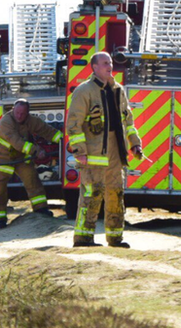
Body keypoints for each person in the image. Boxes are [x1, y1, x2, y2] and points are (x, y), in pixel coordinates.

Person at [66, 52, 142, 248]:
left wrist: (134, 143)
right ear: (95, 67)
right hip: (93, 154)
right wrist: (80, 151)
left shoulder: (118, 90)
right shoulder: (84, 91)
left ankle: (115, 238)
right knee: (92, 194)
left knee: (116, 194)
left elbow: (128, 120)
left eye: (110, 62)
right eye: (105, 63)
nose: (109, 66)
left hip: (116, 152)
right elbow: (74, 124)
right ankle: (83, 238)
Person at [0, 99, 62, 228]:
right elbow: (16, 142)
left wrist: (63, 141)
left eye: (23, 113)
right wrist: (36, 150)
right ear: (13, 110)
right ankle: (0, 219)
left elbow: (47, 130)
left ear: (27, 113)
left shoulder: (31, 121)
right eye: (17, 112)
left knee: (32, 179)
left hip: (20, 158)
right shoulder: (6, 122)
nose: (19, 116)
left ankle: (40, 209)